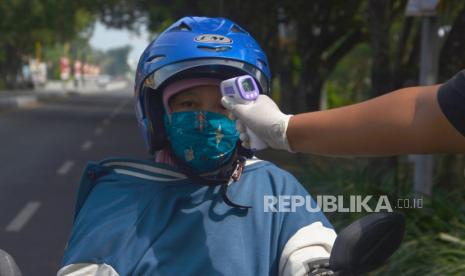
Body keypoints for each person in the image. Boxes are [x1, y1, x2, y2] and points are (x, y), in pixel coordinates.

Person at [58, 17, 336, 276]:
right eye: (189, 105)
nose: (207, 119)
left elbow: (312, 251)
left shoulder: (274, 188)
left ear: (247, 116)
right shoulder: (118, 196)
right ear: (159, 115)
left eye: (223, 106)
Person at [222, 72, 465, 156]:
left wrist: (284, 130)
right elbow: (427, 111)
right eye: (189, 103)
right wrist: (285, 129)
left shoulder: (275, 186)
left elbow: (427, 113)